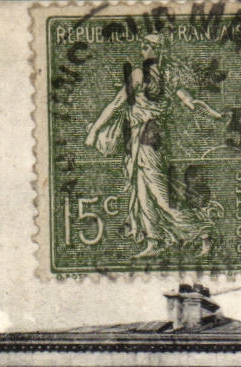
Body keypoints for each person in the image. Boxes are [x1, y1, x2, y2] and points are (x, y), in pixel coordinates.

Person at [84, 34, 221, 258]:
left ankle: (204, 234)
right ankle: (155, 240)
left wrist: (93, 130)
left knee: (161, 195)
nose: (143, 49)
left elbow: (118, 104)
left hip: (150, 138)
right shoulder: (155, 75)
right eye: (143, 45)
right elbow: (119, 104)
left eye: (148, 46)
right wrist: (95, 129)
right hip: (139, 137)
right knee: (142, 192)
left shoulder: (146, 75)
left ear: (159, 50)